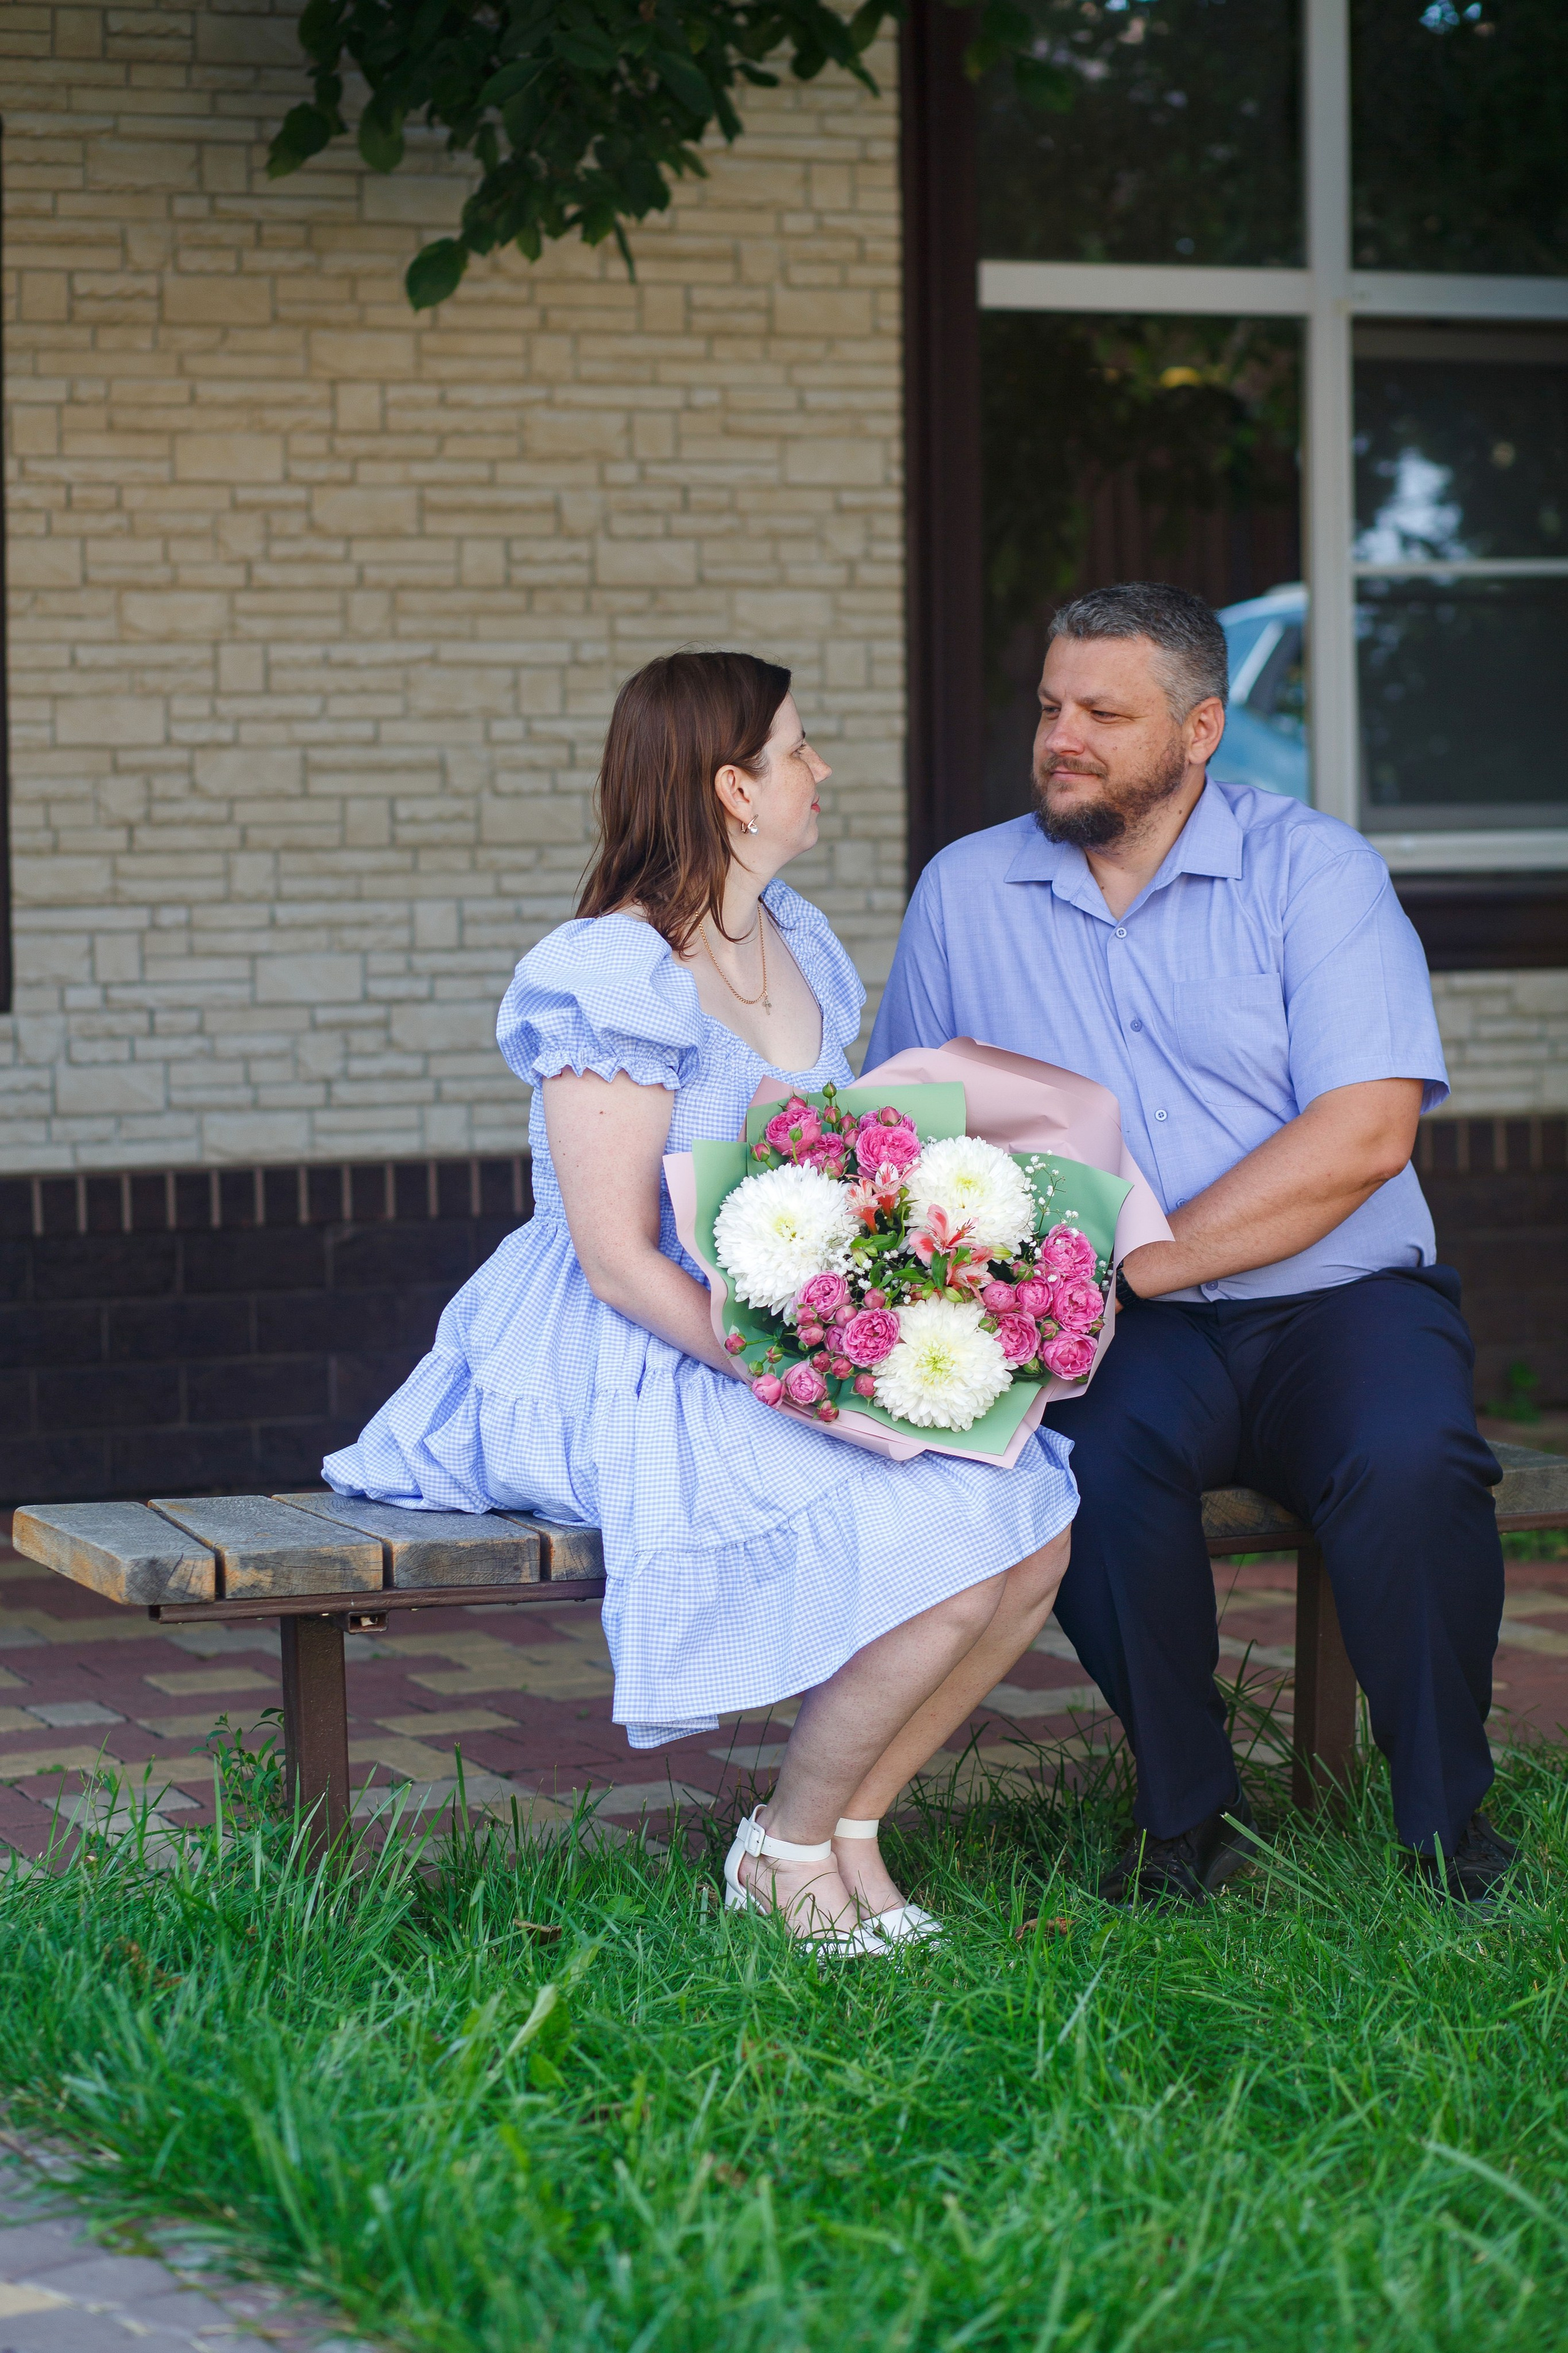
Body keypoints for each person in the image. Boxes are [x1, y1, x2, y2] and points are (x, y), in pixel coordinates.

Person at [325, 651, 1078, 1954]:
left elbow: (832, 1175)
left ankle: (847, 1833)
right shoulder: (611, 972)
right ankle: (779, 1855)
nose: (818, 769)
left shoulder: (801, 939)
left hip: (771, 1315)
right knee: (952, 1540)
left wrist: (911, 1305)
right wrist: (793, 1372)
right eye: (798, 748)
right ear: (732, 788)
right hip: (628, 1342)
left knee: (1037, 1524)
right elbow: (617, 1260)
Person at [869, 581, 1513, 1908]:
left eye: (1104, 712)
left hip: (1337, 1302)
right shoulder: (965, 891)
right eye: (1050, 708)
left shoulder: (1312, 872)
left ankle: (1448, 1823)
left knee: (1410, 1461)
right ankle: (1188, 1814)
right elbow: (907, 1138)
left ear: (1200, 728)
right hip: (1116, 1327)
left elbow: (1364, 1132)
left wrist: (1147, 1257)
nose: (1063, 738)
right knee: (1078, 1471)